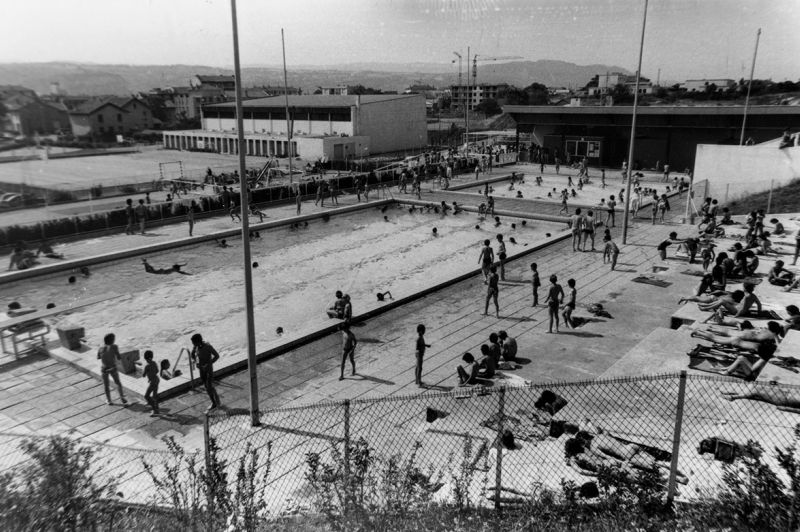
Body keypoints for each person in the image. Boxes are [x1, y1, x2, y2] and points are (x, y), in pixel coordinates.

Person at [692, 321, 781, 353]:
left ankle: (705, 330)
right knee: (715, 337)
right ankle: (699, 332)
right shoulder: (773, 336)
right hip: (741, 340)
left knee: (728, 332)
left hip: (747, 334)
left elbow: (757, 330)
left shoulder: (765, 329)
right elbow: (779, 345)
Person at [190, 333, 221, 411]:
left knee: (209, 386)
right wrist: (195, 361)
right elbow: (192, 354)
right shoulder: (196, 346)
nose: (193, 344)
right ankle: (214, 402)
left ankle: (216, 400)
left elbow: (217, 356)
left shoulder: (207, 346)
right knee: (206, 386)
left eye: (193, 343)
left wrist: (209, 364)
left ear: (197, 342)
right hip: (201, 369)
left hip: (208, 369)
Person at [97, 333, 127, 406]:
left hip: (104, 368)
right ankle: (122, 396)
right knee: (118, 382)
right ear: (111, 340)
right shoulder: (114, 347)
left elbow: (98, 357)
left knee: (106, 385)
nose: (114, 340)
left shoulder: (100, 347)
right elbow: (119, 357)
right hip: (112, 368)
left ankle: (109, 400)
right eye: (114, 339)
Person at [142, 350, 160, 416]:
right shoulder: (154, 363)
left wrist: (146, 371)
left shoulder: (147, 366)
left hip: (153, 382)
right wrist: (152, 376)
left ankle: (154, 409)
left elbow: (143, 375)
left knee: (146, 396)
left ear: (145, 358)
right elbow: (157, 371)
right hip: (157, 380)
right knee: (155, 395)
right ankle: (157, 409)